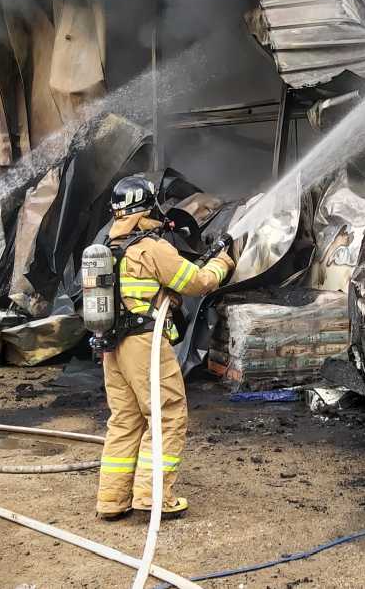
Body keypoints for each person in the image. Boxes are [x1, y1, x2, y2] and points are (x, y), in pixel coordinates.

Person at [95, 175, 234, 520]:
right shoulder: (151, 247)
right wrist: (222, 263)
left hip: (112, 348)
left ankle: (111, 501)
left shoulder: (109, 247)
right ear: (147, 208)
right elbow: (198, 282)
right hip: (144, 344)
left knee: (125, 420)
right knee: (167, 414)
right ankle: (152, 496)